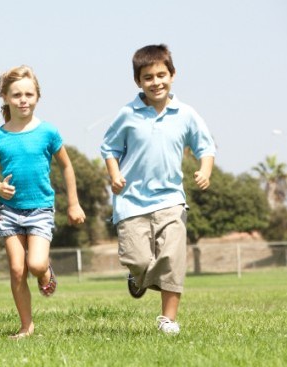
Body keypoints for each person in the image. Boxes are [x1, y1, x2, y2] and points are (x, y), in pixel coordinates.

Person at [100, 44, 215, 335]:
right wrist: (114, 176)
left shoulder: (185, 114)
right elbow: (109, 147)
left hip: (171, 200)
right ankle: (138, 278)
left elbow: (205, 146)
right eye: (148, 77)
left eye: (161, 74)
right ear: (138, 81)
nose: (156, 82)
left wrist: (204, 169)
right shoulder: (128, 114)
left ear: (173, 75)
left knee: (172, 258)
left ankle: (168, 318)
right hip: (131, 202)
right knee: (137, 259)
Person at [0, 65, 86, 340]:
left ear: (37, 97)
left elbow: (67, 167)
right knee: (17, 269)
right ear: (5, 97)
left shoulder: (48, 132)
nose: (23, 100)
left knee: (36, 264)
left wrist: (73, 204)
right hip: (9, 211)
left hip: (40, 208)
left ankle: (45, 273)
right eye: (16, 94)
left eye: (29, 94)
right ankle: (26, 326)